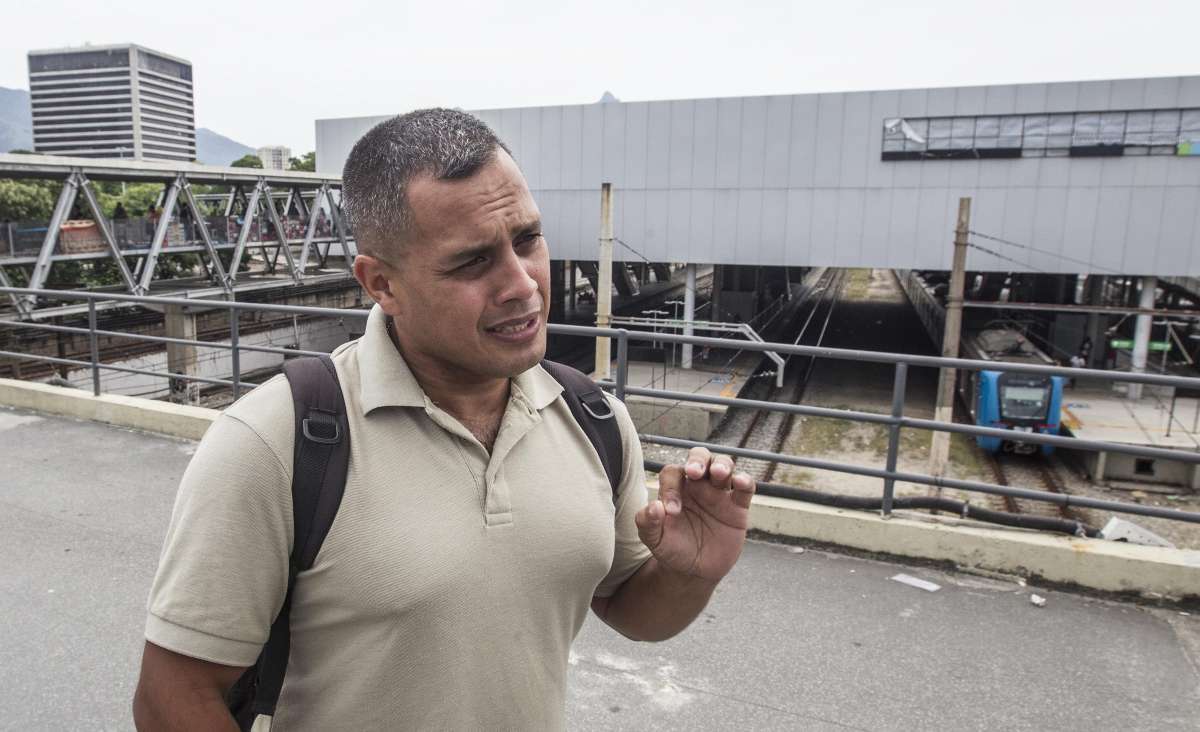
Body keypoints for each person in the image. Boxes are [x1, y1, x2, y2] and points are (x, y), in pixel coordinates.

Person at [132, 108, 756, 730]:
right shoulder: (276, 441)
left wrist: (687, 574)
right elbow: (170, 699)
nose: (523, 284)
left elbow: (629, 606)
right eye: (472, 262)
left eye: (528, 240)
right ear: (382, 283)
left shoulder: (593, 419)